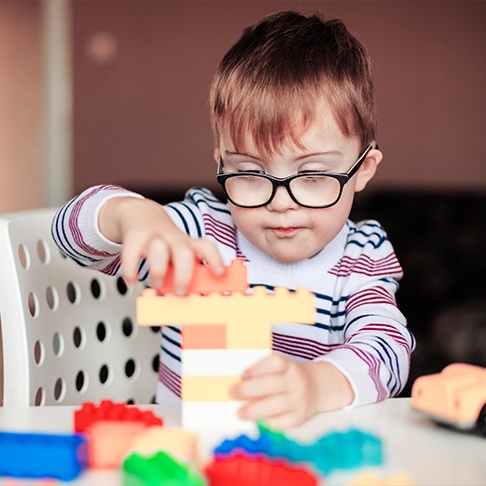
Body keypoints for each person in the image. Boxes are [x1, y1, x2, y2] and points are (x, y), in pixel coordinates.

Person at [52, 10, 415, 429]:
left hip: (303, 460)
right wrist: (132, 216)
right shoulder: (200, 232)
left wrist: (317, 385)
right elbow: (68, 235)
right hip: (186, 458)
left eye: (313, 175)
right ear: (222, 163)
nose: (281, 203)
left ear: (363, 170)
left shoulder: (363, 256)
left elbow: (388, 347)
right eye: (250, 173)